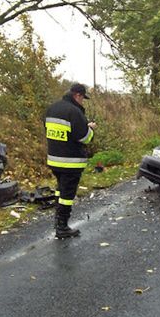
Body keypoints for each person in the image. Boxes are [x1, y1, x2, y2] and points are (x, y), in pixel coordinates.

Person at [44, 83, 96, 238]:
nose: (83, 102)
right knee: (67, 195)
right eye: (83, 99)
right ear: (78, 95)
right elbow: (85, 138)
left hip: (54, 159)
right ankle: (62, 227)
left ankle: (57, 220)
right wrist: (91, 129)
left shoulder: (52, 108)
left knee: (60, 189)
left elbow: (54, 131)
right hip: (70, 161)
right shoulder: (74, 112)